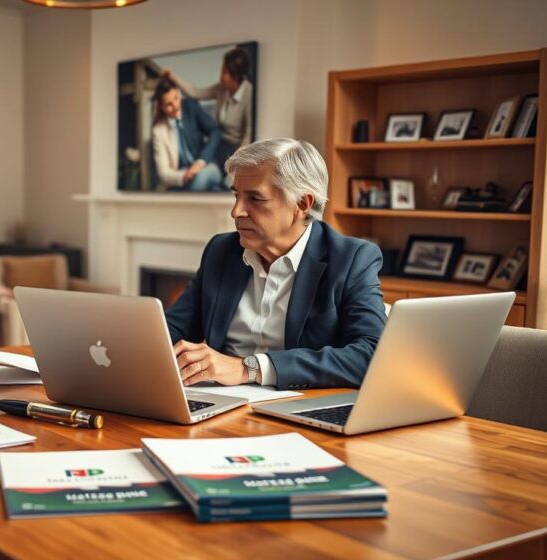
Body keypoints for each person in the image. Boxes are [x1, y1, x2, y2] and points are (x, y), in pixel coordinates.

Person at [165, 138, 387, 391]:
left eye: (255, 199)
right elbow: (171, 332)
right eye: (236, 195)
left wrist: (247, 368)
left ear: (302, 204)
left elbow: (371, 355)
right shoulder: (221, 251)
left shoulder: (351, 259)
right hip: (218, 402)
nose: (236, 211)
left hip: (298, 406)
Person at [164, 47, 254, 169]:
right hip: (217, 144)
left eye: (224, 73)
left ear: (236, 76)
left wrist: (236, 163)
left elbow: (247, 136)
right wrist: (173, 77)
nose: (220, 76)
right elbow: (196, 93)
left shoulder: (249, 94)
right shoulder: (221, 88)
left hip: (236, 151)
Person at [151, 77, 224, 191]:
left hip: (207, 166)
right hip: (182, 179)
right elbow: (163, 173)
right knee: (215, 190)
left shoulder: (191, 107)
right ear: (161, 107)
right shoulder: (158, 130)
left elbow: (215, 131)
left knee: (201, 178)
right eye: (168, 104)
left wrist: (201, 161)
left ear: (179, 93)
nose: (175, 106)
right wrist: (184, 175)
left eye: (176, 98)